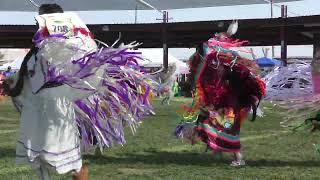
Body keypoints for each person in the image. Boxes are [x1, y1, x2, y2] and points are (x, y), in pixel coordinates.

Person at [4, 3, 156, 180]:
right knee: (39, 156)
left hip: (58, 109)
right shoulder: (37, 52)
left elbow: (87, 74)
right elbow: (24, 80)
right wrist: (13, 86)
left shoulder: (74, 49)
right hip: (39, 109)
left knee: (69, 158)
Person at [175, 21, 266, 167]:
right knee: (208, 122)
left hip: (229, 105)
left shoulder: (230, 63)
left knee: (227, 128)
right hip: (221, 103)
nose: (215, 37)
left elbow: (243, 72)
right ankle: (218, 148)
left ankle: (237, 158)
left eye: (219, 37)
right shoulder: (214, 62)